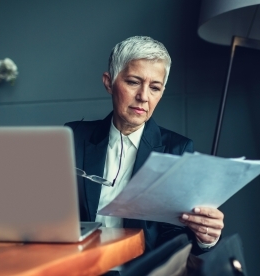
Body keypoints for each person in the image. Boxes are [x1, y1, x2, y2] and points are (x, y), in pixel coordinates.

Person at [65, 36, 224, 256]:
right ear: (109, 82)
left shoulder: (176, 149)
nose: (143, 97)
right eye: (133, 82)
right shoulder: (72, 137)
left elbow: (173, 234)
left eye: (155, 87)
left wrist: (205, 237)